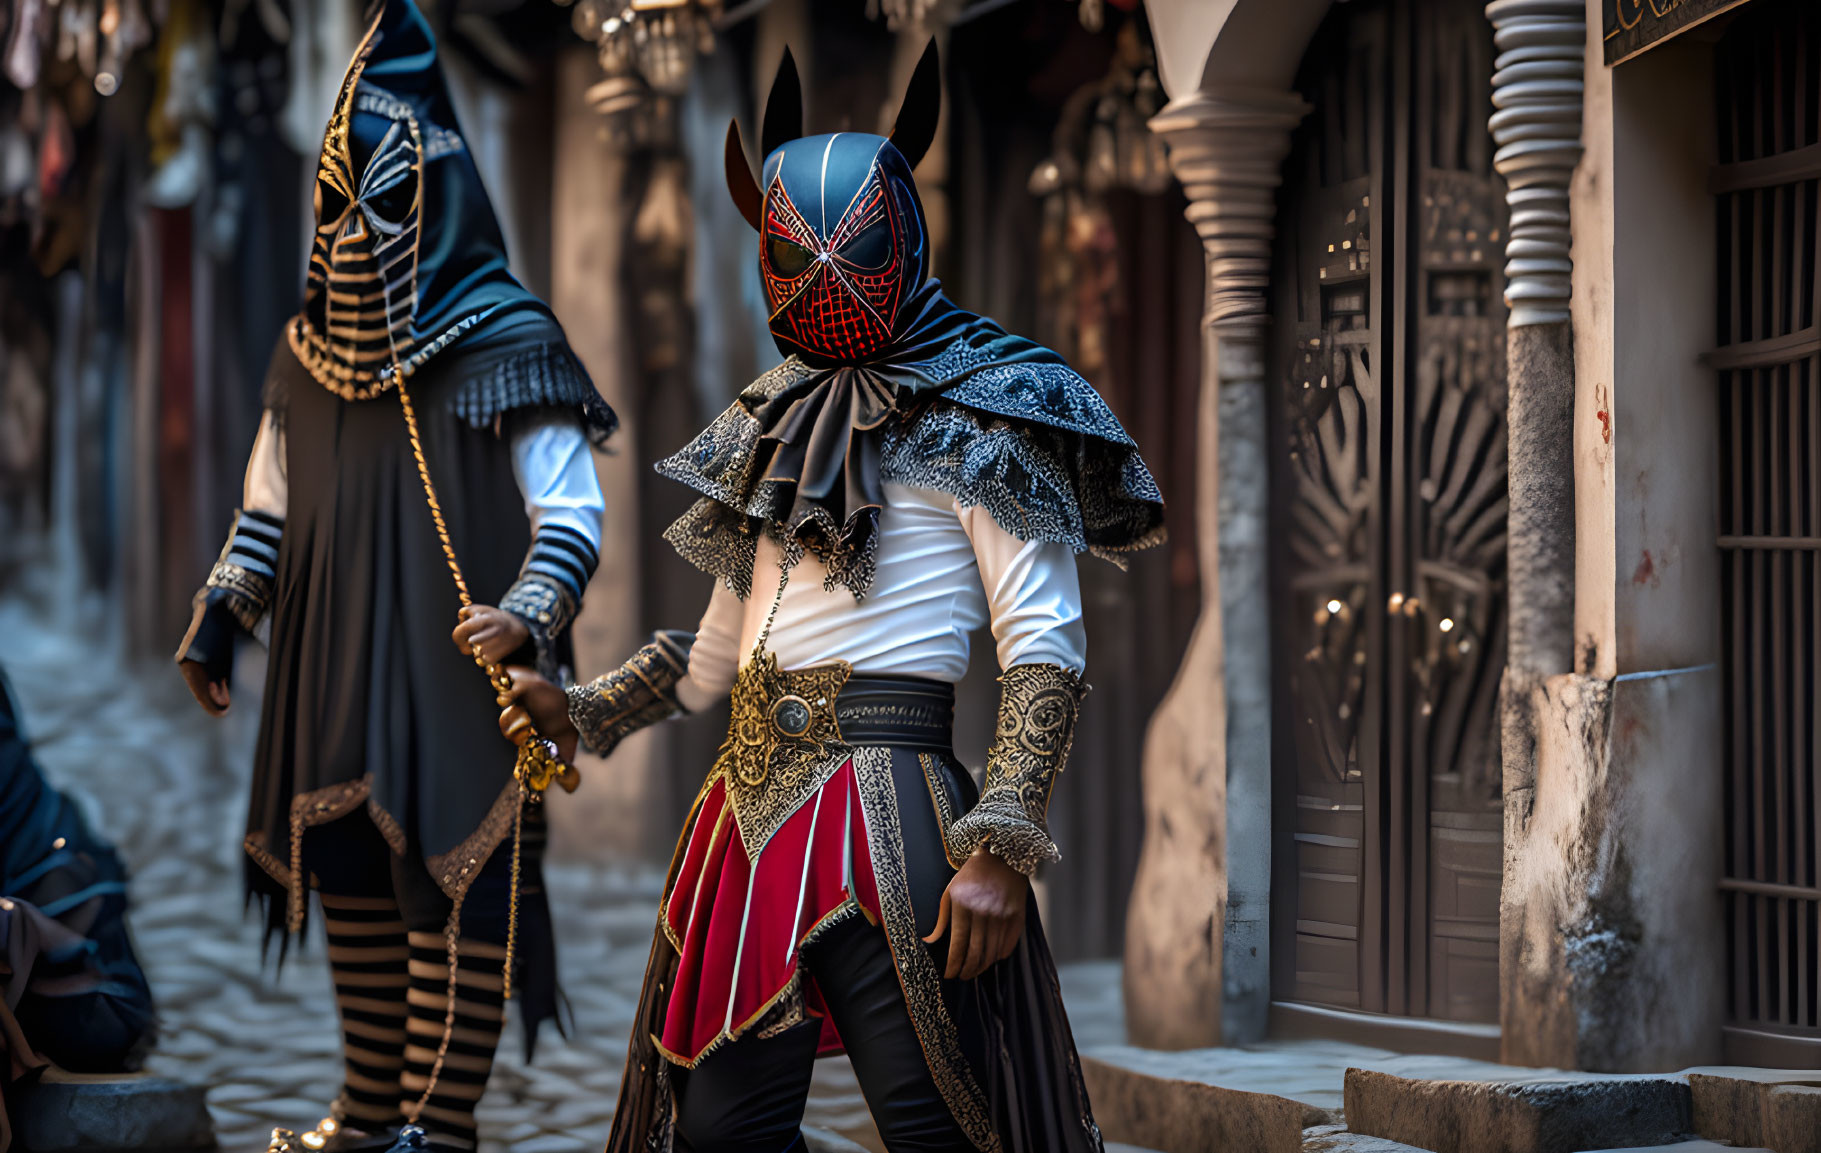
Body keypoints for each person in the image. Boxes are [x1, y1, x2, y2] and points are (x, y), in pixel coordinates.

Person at [502, 43, 1164, 1153]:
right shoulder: (769, 422)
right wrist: (587, 706)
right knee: (719, 1135)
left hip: (894, 804)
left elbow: (1043, 636)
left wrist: (1001, 845)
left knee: (940, 1123)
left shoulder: (989, 405)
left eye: (845, 250)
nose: (823, 277)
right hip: (746, 816)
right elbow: (723, 651)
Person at [174, 3, 612, 1151]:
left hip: (459, 664)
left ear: (444, 196)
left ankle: (438, 1120)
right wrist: (224, 610)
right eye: (338, 202)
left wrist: (527, 614)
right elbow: (266, 507)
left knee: (452, 883)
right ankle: (368, 1105)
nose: (359, 231)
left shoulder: (507, 339)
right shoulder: (302, 353)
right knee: (357, 876)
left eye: (388, 199)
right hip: (332, 658)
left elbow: (569, 512)